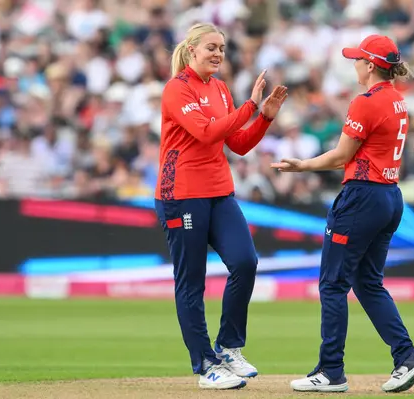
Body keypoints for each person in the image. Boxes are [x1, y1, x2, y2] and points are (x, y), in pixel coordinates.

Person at [272, 35, 414, 393]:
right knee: (368, 283)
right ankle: (406, 356)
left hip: (362, 196)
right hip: (389, 196)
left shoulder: (366, 102)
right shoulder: (398, 100)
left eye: (358, 59)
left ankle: (331, 371)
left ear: (371, 65)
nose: (354, 64)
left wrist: (303, 166)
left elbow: (342, 156)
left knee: (332, 283)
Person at [154, 23, 287, 390]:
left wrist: (265, 116)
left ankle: (228, 346)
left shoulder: (220, 89)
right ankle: (205, 365)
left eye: (223, 48)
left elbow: (238, 144)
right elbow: (208, 133)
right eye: (211, 47)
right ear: (192, 49)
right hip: (181, 193)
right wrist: (250, 105)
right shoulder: (176, 89)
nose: (218, 53)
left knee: (245, 261)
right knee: (192, 281)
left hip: (218, 191)